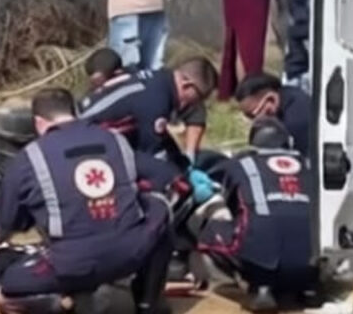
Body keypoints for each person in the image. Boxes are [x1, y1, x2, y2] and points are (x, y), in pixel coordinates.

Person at [0, 89, 174, 314]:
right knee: (158, 207)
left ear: (38, 122)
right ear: (75, 112)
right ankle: (147, 303)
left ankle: (58, 305)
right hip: (130, 254)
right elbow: (164, 174)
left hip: (70, 265)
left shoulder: (28, 158)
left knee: (4, 285)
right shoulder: (116, 140)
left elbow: (9, 221)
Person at [191, 117, 317, 312]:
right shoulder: (309, 164)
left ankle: (261, 286)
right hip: (313, 254)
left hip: (263, 255)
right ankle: (309, 288)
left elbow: (229, 200)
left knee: (211, 231)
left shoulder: (242, 163)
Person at [78, 56, 218, 174]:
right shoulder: (158, 100)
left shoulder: (159, 80)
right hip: (82, 137)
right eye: (198, 97)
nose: (194, 104)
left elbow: (161, 139)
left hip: (88, 128)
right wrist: (183, 176)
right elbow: (154, 154)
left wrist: (184, 162)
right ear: (187, 84)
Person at [235, 73, 312, 158]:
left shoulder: (295, 122)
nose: (254, 121)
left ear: (271, 99)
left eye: (252, 115)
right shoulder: (289, 93)